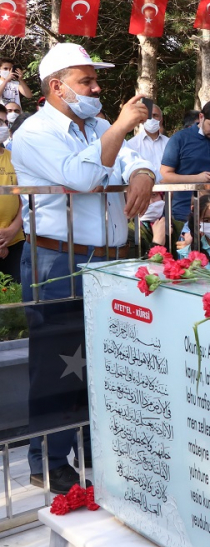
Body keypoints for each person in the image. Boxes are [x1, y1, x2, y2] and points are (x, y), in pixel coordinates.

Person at [12, 43, 155, 494]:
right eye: (86, 81)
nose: (96, 88)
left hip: (107, 259)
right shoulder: (34, 133)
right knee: (58, 363)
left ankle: (95, 445)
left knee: (102, 358)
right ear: (57, 87)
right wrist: (122, 129)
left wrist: (144, 173)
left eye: (96, 80)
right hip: (59, 259)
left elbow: (132, 158)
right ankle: (49, 461)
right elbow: (81, 177)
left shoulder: (96, 126)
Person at [160, 100, 210, 227]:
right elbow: (165, 175)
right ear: (201, 117)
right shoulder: (180, 138)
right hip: (183, 214)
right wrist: (197, 179)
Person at [0, 105, 24, 279]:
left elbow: (25, 197)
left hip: (15, 239)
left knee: (16, 296)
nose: (2, 126)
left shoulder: (14, 158)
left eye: (3, 122)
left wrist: (14, 229)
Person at [125, 102, 168, 177]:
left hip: (168, 187)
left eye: (155, 115)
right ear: (142, 120)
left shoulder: (169, 143)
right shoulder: (131, 144)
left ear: (161, 119)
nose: (152, 119)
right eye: (148, 116)